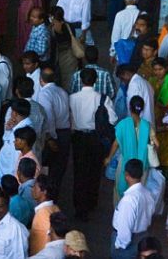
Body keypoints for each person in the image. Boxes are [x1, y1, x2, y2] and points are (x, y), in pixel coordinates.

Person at [70, 67, 118, 220]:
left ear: (80, 80)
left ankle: (79, 207)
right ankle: (91, 202)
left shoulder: (72, 98)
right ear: (96, 80)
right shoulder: (103, 98)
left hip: (78, 138)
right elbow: (113, 119)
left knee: (79, 172)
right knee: (94, 171)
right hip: (96, 138)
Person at [105, 95, 157, 201]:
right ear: (142, 109)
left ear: (130, 107)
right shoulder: (147, 125)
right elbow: (157, 144)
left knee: (120, 193)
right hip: (142, 166)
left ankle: (121, 213)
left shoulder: (123, 124)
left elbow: (116, 144)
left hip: (125, 163)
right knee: (139, 194)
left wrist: (109, 158)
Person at [111, 159, 155, 258]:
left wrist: (119, 246)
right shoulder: (148, 194)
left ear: (126, 175)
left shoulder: (128, 200)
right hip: (142, 237)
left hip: (127, 245)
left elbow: (125, 228)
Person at [29, 175, 61, 255]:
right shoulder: (55, 208)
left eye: (35, 187)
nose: (32, 189)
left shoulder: (42, 214)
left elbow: (43, 240)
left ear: (44, 191)